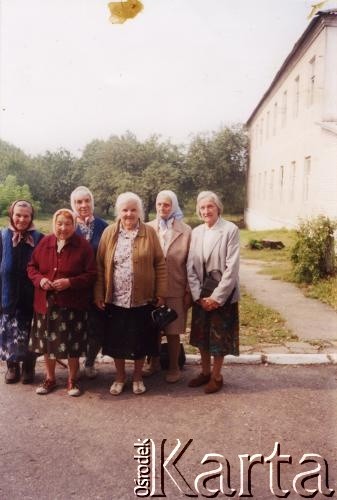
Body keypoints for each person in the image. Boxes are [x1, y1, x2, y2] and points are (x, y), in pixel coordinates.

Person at [94, 192, 167, 396]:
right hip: (116, 299)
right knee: (117, 341)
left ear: (140, 212)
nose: (129, 214)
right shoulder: (109, 232)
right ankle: (119, 377)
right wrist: (99, 293)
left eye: (133, 209)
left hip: (143, 299)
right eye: (125, 210)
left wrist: (161, 292)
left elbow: (160, 264)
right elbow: (100, 266)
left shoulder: (149, 233)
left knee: (140, 341)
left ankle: (137, 377)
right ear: (119, 212)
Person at [28, 208, 96, 397]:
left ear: (74, 225)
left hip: (72, 305)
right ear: (54, 224)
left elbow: (91, 275)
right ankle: (50, 378)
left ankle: (72, 379)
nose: (63, 228)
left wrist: (70, 282)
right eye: (59, 223)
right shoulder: (45, 242)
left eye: (68, 224)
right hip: (45, 304)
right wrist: (40, 280)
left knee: (72, 344)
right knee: (48, 345)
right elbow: (31, 267)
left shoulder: (82, 246)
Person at [187, 191, 240, 394]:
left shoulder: (230, 230)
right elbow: (190, 267)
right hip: (201, 295)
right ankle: (205, 372)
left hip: (222, 296)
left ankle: (217, 377)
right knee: (202, 336)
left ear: (218, 208)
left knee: (218, 338)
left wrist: (217, 298)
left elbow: (232, 268)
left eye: (210, 206)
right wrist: (197, 296)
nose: (206, 211)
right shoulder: (197, 232)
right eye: (202, 207)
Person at [146, 190, 191, 383]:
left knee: (173, 330)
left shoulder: (186, 230)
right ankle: (153, 363)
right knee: (152, 328)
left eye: (167, 205)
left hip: (176, 286)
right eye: (159, 204)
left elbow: (191, 263)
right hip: (151, 287)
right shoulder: (147, 228)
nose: (163, 208)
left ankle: (174, 367)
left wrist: (189, 290)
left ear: (174, 206)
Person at [0, 200, 44, 384]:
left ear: (31, 217)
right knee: (9, 331)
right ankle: (12, 366)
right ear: (11, 215)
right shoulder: (2, 237)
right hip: (7, 294)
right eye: (18, 215)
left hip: (30, 295)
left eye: (26, 216)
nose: (22, 219)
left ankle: (28, 366)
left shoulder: (39, 238)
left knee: (29, 332)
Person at [70, 186, 108, 378]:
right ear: (73, 205)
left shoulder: (104, 227)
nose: (83, 205)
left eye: (87, 201)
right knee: (74, 326)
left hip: (97, 286)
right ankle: (74, 366)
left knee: (97, 326)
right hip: (74, 287)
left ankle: (90, 362)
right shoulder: (68, 226)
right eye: (79, 202)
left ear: (92, 203)